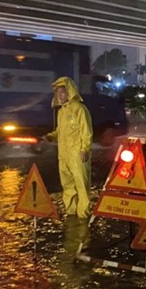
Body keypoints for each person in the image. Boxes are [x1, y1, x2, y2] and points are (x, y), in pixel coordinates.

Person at [44, 77, 93, 219]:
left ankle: (83, 216)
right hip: (64, 156)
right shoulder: (62, 112)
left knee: (82, 187)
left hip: (78, 155)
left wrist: (85, 149)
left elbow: (86, 131)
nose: (60, 95)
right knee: (68, 186)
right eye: (58, 93)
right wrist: (50, 136)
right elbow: (61, 131)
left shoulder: (80, 109)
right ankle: (71, 214)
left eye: (63, 92)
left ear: (70, 92)